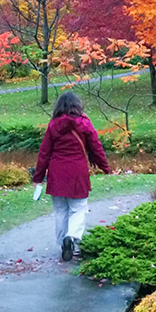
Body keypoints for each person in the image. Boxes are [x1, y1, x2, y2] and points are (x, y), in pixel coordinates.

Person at [33, 92, 110, 262]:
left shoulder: (53, 125)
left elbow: (44, 153)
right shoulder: (84, 123)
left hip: (57, 172)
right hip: (77, 172)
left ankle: (62, 243)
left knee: (60, 211)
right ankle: (72, 237)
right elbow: (96, 146)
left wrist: (38, 177)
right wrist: (105, 167)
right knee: (78, 208)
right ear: (77, 105)